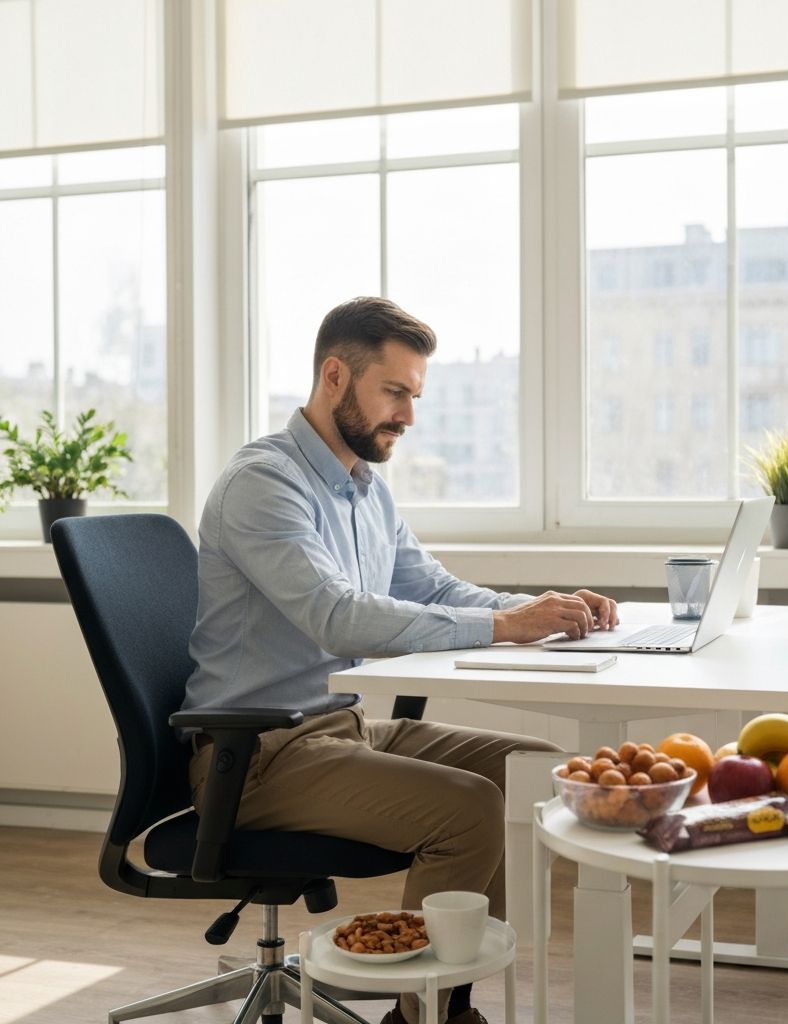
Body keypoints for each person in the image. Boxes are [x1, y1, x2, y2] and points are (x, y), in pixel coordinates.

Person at [181, 296, 619, 1024]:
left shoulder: (363, 489)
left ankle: (449, 1006)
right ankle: (426, 1018)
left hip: (339, 729)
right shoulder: (264, 484)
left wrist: (545, 612)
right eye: (395, 392)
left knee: (536, 765)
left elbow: (438, 588)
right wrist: (505, 625)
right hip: (257, 754)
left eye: (414, 396)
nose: (408, 416)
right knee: (472, 807)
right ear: (333, 377)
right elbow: (337, 614)